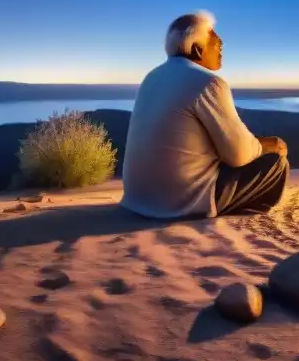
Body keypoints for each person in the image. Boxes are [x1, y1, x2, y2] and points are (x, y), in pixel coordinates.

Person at [121, 11, 289, 219]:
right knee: (276, 162)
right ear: (197, 49)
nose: (221, 46)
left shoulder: (151, 78)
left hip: (137, 199)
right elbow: (238, 155)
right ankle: (246, 214)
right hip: (181, 202)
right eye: (216, 41)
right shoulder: (209, 83)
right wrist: (267, 145)